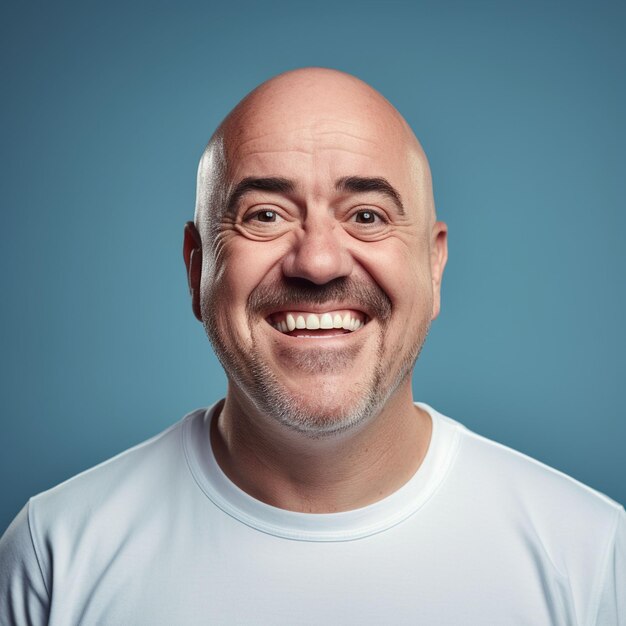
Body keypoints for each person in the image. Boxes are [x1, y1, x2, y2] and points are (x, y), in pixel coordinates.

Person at [0, 67, 624, 625]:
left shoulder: (592, 558)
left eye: (367, 215)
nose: (319, 261)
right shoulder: (53, 553)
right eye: (265, 215)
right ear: (197, 269)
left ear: (433, 268)